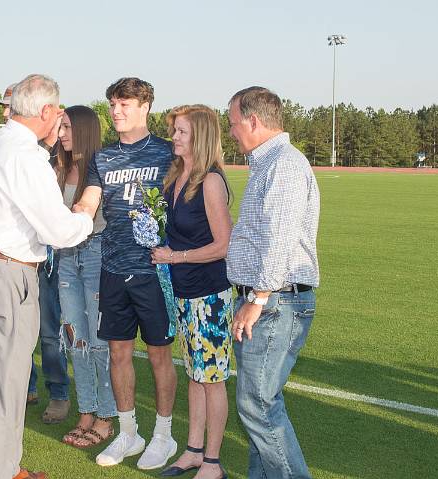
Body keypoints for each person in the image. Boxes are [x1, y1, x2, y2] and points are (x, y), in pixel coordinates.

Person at [0, 74, 93, 479]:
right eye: (57, 112)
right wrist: (86, 209)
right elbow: (57, 230)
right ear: (47, 111)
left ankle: (7, 467)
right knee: (7, 385)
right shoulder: (26, 156)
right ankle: (0, 473)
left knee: (9, 380)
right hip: (7, 273)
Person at [74, 77, 178, 470]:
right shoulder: (102, 158)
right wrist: (76, 215)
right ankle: (128, 432)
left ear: (145, 106)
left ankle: (164, 437)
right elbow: (90, 201)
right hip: (113, 268)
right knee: (118, 352)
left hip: (155, 271)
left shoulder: (168, 153)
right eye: (113, 105)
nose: (116, 112)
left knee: (158, 355)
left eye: (125, 105)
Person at [226, 87, 320, 479]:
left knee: (257, 405)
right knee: (259, 405)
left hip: (274, 301)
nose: (231, 132)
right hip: (268, 301)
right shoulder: (267, 163)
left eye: (233, 124)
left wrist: (258, 297)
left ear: (253, 121)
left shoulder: (283, 164)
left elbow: (278, 239)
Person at [151, 105, 233, 479]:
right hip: (183, 293)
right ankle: (194, 451)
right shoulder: (177, 176)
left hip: (210, 295)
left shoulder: (211, 181)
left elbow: (223, 246)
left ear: (199, 135)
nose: (175, 137)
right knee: (195, 375)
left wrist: (176, 256)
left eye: (182, 131)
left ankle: (212, 463)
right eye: (174, 131)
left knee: (211, 379)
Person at [0, 83, 71, 418]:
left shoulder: (50, 153)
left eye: (10, 107)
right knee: (17, 338)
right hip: (16, 259)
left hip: (48, 259)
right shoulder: (5, 150)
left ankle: (59, 391)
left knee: (49, 330)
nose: (5, 113)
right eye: (3, 107)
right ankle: (27, 386)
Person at [56, 106, 117, 449]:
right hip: (66, 258)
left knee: (99, 340)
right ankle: (86, 411)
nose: (61, 133)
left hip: (96, 257)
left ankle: (106, 416)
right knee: (74, 338)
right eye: (60, 126)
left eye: (67, 127)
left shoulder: (105, 167)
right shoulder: (59, 168)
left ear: (84, 129)